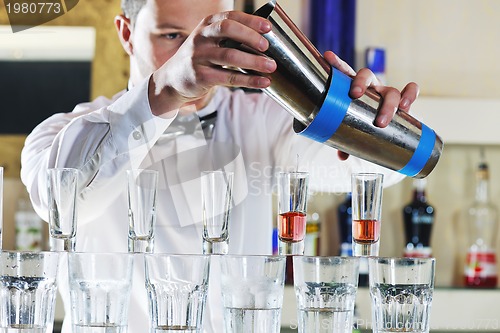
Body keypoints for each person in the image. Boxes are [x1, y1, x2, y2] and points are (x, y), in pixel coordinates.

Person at [20, 0, 419, 332]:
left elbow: (362, 172)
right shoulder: (62, 133)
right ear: (126, 33)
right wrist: (164, 91)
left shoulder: (266, 119)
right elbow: (60, 201)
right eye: (173, 36)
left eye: (213, 37)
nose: (195, 53)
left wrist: (367, 122)